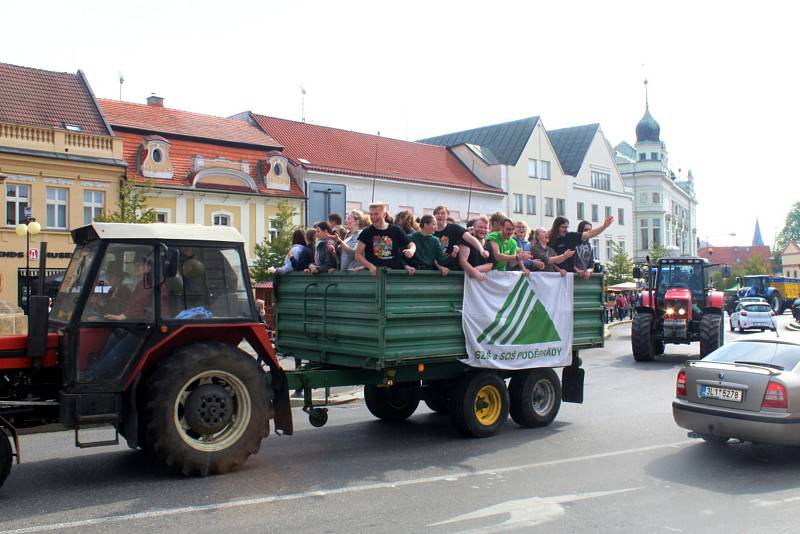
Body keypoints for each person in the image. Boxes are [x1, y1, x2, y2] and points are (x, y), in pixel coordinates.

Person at [356, 202, 416, 276]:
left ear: (384, 214)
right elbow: (358, 255)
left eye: (376, 214)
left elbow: (411, 244)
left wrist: (411, 251)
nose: (373, 217)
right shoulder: (366, 232)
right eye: (371, 214)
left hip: (394, 275)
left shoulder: (396, 230)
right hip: (374, 277)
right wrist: (370, 266)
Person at [549, 215, 614, 273]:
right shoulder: (549, 239)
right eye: (563, 227)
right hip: (554, 275)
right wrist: (559, 270)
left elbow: (590, 234)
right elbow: (546, 259)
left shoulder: (570, 236)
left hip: (570, 275)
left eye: (567, 227)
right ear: (556, 227)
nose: (566, 230)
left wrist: (604, 226)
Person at [458, 216, 496, 281]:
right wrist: (475, 273)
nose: (483, 230)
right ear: (473, 228)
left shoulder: (488, 243)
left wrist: (476, 270)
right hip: (463, 281)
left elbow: (490, 264)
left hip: (480, 281)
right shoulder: (467, 241)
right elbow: (462, 261)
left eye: (485, 228)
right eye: (480, 227)